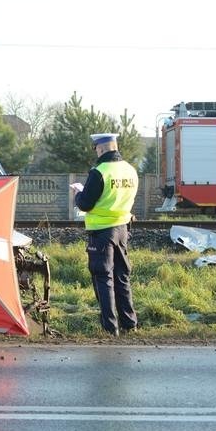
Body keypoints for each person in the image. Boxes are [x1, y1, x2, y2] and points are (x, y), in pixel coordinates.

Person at [71, 132, 139, 336]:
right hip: (123, 230)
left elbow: (85, 203)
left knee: (103, 277)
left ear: (100, 149)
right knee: (122, 277)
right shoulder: (130, 170)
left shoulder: (99, 171)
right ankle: (130, 324)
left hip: (101, 233)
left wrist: (78, 195)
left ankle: (110, 328)